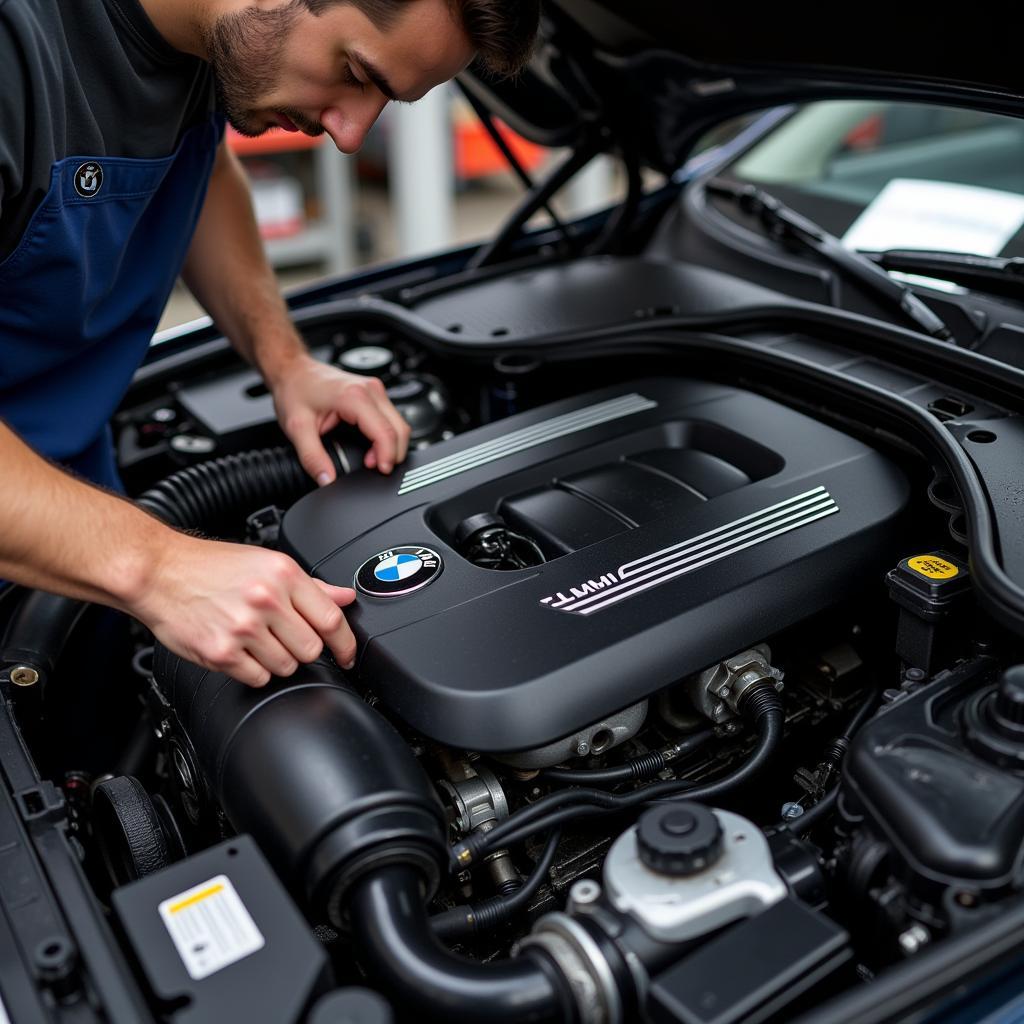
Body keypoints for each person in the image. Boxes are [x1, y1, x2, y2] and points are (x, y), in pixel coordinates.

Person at [0, 0, 539, 687]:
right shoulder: (17, 47)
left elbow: (200, 170)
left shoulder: (204, 46)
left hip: (84, 514)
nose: (349, 134)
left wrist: (285, 363)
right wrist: (158, 566)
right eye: (355, 71)